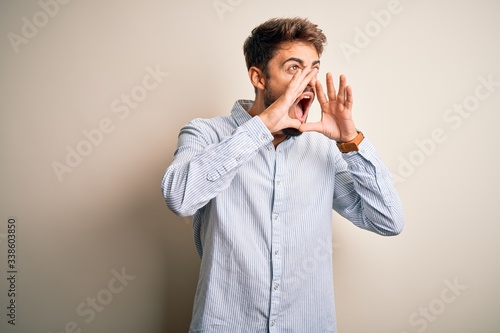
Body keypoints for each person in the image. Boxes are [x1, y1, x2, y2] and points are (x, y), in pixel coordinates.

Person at [161, 17, 403, 333]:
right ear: (258, 77)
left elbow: (387, 220)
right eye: (293, 68)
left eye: (313, 70)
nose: (307, 82)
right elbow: (179, 198)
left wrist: (349, 139)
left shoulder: (325, 148)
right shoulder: (205, 134)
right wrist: (260, 128)